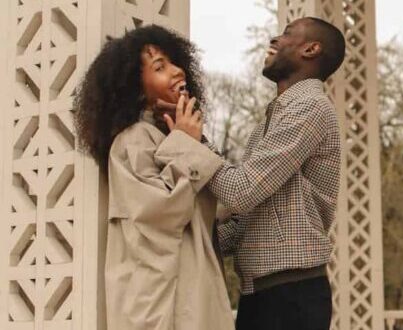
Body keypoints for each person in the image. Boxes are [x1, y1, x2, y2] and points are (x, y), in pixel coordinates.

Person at [160, 16, 345, 330]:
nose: (274, 39)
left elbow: (240, 191)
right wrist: (183, 234)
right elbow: (247, 221)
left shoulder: (310, 108)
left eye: (287, 33)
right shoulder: (272, 122)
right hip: (262, 296)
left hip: (290, 299)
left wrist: (190, 142)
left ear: (311, 49)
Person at [73, 25, 234, 330]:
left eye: (175, 62)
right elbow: (161, 210)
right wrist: (186, 144)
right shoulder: (133, 140)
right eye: (160, 67)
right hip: (162, 304)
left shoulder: (167, 136)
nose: (177, 72)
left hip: (188, 291)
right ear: (134, 88)